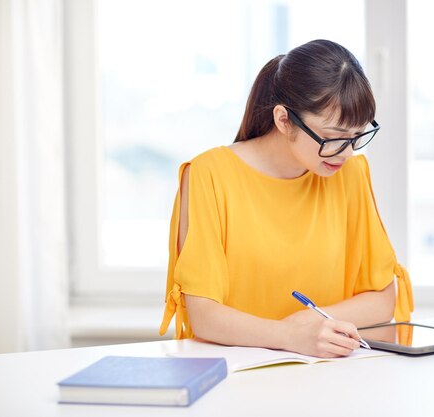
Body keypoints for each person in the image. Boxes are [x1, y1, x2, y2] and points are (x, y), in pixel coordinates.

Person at [159, 39, 413, 358]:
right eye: (333, 138)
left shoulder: (350, 172)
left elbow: (381, 299)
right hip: (237, 375)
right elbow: (204, 314)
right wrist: (290, 335)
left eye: (356, 136)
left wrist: (312, 323)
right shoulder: (209, 174)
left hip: (333, 373)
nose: (347, 153)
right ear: (283, 120)